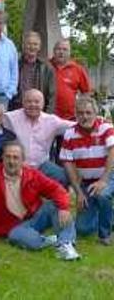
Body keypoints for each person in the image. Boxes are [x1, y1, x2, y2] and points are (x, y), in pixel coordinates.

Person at [0, 140, 80, 260]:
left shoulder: (32, 174)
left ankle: (66, 244)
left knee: (58, 206)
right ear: (2, 158)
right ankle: (47, 240)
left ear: (23, 160)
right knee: (22, 238)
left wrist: (64, 208)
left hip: (35, 218)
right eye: (8, 157)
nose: (11, 161)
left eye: (16, 158)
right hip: (12, 228)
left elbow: (57, 189)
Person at [59, 96, 114, 245]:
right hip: (86, 182)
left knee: (102, 194)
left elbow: (112, 152)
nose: (85, 116)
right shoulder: (70, 133)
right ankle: (106, 213)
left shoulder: (106, 128)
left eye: (89, 113)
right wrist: (78, 192)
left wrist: (103, 180)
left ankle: (105, 235)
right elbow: (68, 164)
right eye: (81, 113)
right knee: (83, 229)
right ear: (76, 115)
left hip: (109, 175)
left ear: (95, 113)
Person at [3, 89, 73, 186]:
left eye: (36, 102)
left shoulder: (51, 121)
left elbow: (73, 126)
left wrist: (96, 121)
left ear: (43, 104)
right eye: (29, 101)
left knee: (64, 177)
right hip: (19, 166)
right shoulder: (11, 117)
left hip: (42, 165)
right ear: (23, 103)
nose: (33, 105)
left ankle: (56, 200)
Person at [13, 31, 56, 112]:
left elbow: (52, 95)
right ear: (23, 45)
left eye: (35, 44)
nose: (32, 47)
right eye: (29, 44)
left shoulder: (47, 68)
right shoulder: (15, 64)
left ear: (39, 47)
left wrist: (48, 114)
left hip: (38, 111)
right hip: (17, 109)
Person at [50, 39, 92, 121]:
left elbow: (86, 92)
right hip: (48, 116)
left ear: (69, 52)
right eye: (58, 49)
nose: (61, 52)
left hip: (70, 117)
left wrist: (82, 110)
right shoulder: (46, 66)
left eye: (65, 49)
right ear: (54, 51)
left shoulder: (78, 69)